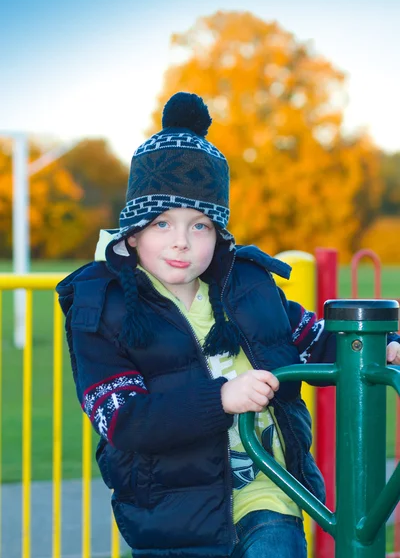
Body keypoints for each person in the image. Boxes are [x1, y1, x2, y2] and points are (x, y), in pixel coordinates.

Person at [56, 92, 400, 558]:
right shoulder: (102, 309)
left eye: (199, 225)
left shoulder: (248, 286)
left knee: (275, 544)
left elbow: (311, 341)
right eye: (162, 224)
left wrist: (383, 348)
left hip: (268, 488)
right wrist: (221, 399)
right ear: (132, 233)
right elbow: (124, 420)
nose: (181, 242)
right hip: (174, 513)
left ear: (219, 234)